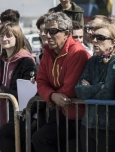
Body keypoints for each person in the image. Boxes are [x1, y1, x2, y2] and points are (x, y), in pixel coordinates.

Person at [33, 12, 90, 152]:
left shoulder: (77, 52)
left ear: (66, 33)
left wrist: (51, 94)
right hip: (60, 111)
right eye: (46, 31)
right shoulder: (48, 50)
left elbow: (69, 90)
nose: (47, 35)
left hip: (78, 116)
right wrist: (52, 96)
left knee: (41, 138)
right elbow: (41, 81)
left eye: (52, 31)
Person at [75, 23, 115, 151]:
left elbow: (108, 93)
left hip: (112, 126)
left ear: (113, 42)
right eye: (93, 36)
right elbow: (78, 91)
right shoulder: (93, 60)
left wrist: (91, 88)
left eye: (100, 37)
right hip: (89, 124)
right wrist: (99, 86)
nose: (94, 40)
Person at [0, 22, 36, 152]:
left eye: (9, 35)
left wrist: (3, 91)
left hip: (19, 117)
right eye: (2, 35)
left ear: (18, 37)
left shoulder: (26, 61)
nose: (4, 39)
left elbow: (26, 95)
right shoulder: (2, 60)